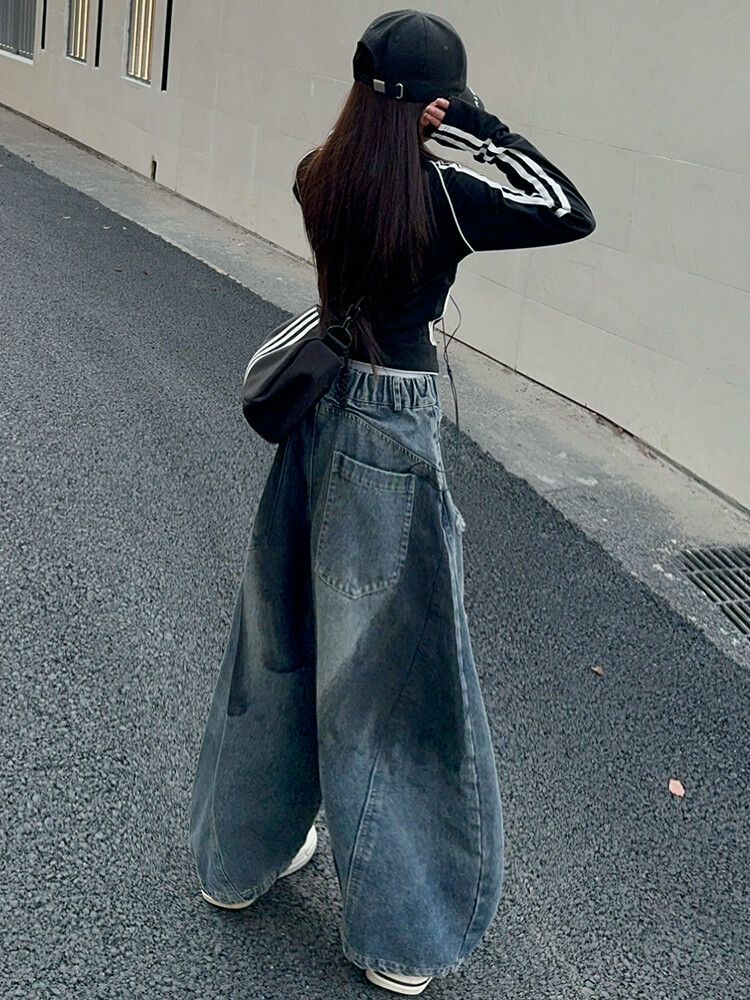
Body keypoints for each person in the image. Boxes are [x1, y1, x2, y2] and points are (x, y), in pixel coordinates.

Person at [188, 9, 596, 996]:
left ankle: (239, 859)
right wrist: (479, 126)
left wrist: (417, 121)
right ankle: (397, 934)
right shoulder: (443, 198)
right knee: (396, 678)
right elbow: (564, 206)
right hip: (388, 436)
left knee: (278, 639)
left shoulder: (315, 175)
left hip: (315, 421)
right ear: (434, 106)